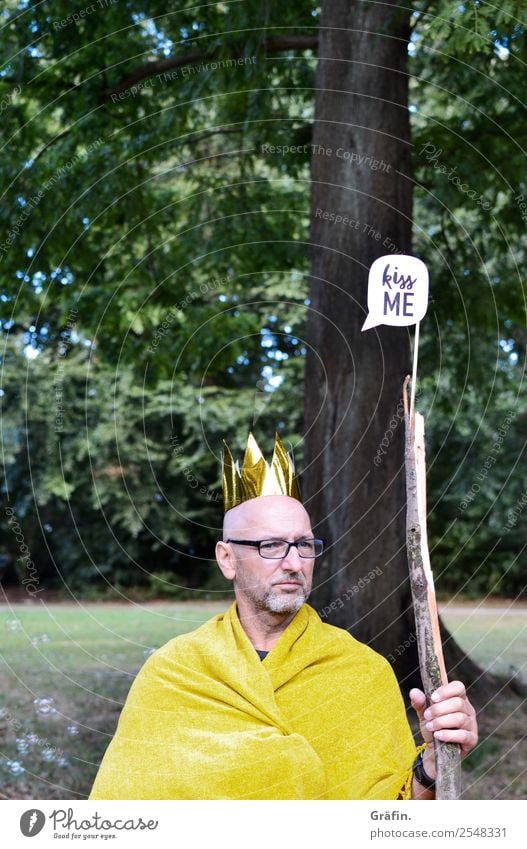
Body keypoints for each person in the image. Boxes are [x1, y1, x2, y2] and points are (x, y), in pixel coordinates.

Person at [90, 434, 477, 800]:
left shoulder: (361, 670)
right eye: (271, 545)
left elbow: (389, 817)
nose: (294, 563)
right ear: (227, 558)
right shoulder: (175, 671)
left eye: (304, 545)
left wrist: (430, 766)